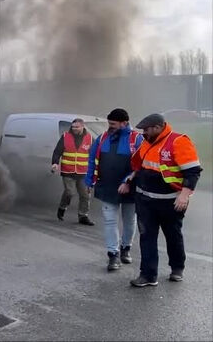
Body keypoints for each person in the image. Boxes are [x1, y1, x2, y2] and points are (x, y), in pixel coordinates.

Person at [127, 113, 202, 287]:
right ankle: (148, 275)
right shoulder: (147, 142)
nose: (143, 133)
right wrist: (129, 180)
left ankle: (177, 268)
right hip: (145, 201)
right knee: (146, 237)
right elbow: (140, 166)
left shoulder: (178, 141)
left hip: (170, 202)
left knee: (173, 236)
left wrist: (184, 195)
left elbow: (192, 172)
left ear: (158, 127)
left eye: (147, 129)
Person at [85, 108, 143, 271]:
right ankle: (113, 254)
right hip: (107, 186)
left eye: (113, 124)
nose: (109, 126)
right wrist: (89, 180)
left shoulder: (136, 139)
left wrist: (127, 181)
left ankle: (126, 248)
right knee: (110, 221)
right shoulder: (103, 138)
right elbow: (92, 158)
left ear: (124, 123)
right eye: (109, 123)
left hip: (130, 187)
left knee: (129, 220)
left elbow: (140, 164)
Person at [51, 118, 95, 225]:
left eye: (77, 127)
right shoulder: (65, 137)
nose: (74, 129)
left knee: (85, 195)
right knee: (69, 192)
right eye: (73, 127)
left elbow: (93, 156)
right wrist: (55, 163)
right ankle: (62, 207)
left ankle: (83, 216)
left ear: (82, 127)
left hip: (83, 172)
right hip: (68, 170)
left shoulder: (90, 139)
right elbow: (57, 151)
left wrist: (94, 169)